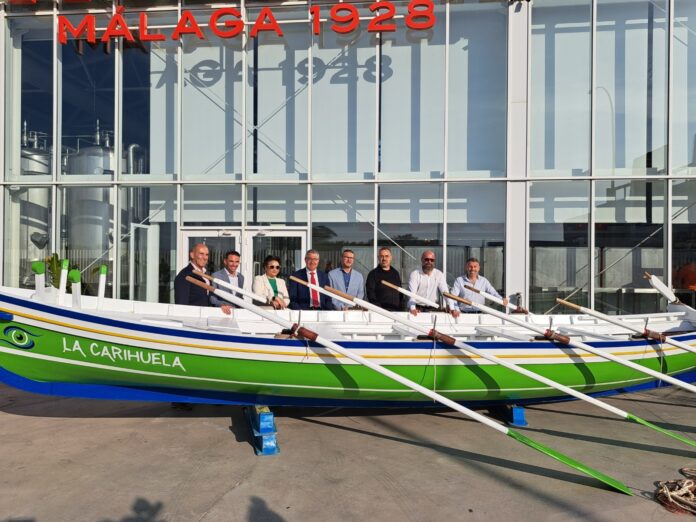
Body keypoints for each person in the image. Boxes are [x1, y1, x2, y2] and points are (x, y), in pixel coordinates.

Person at [407, 250, 459, 317]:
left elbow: (445, 293)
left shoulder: (439, 274)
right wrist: (413, 308)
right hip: (417, 308)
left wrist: (451, 308)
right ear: (422, 260)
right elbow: (412, 294)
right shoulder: (415, 274)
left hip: (433, 308)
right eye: (427, 259)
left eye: (432, 260)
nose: (429, 262)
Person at [365, 247, 403, 311]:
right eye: (381, 256)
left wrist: (400, 307)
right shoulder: (373, 274)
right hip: (380, 312)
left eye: (386, 256)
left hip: (396, 311)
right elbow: (371, 294)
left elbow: (400, 293)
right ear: (378, 258)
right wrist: (379, 309)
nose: (384, 259)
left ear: (391, 258)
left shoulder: (395, 273)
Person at [210, 250, 244, 315]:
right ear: (225, 261)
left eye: (237, 262)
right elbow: (212, 298)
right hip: (222, 313)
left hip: (237, 313)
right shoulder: (216, 276)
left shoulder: (241, 277)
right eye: (231, 261)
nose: (234, 264)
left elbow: (239, 297)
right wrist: (222, 305)